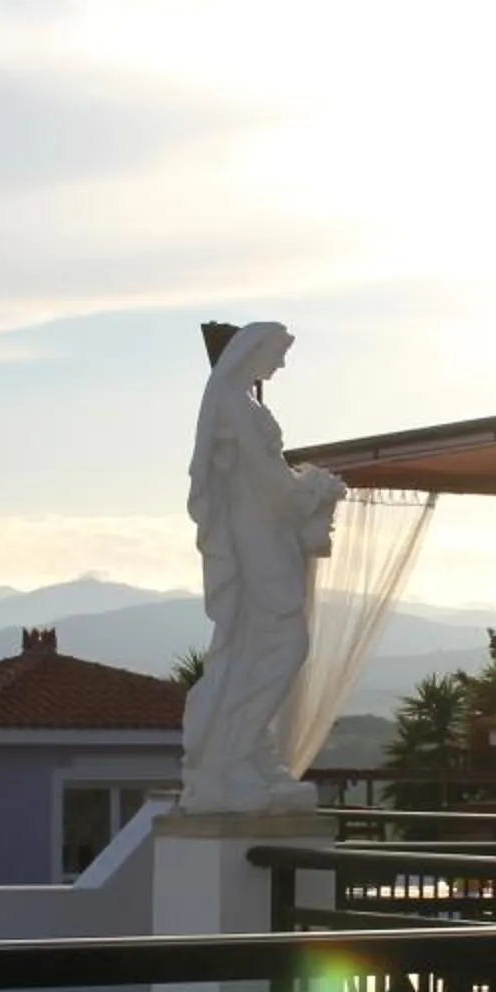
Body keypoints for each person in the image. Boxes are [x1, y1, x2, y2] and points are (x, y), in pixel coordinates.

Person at [180, 321, 344, 816]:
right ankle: (234, 753)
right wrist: (314, 487)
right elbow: (268, 485)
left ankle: (248, 753)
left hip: (268, 534)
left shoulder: (243, 405)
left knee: (264, 645)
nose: (282, 363)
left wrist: (306, 486)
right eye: (278, 352)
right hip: (257, 538)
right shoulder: (233, 405)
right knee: (284, 642)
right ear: (252, 350)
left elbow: (271, 479)